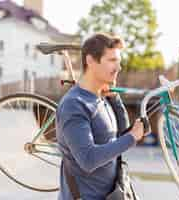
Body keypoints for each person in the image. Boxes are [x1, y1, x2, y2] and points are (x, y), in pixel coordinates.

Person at [56, 33, 147, 200]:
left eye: (119, 62)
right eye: (112, 60)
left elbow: (118, 136)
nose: (118, 68)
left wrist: (116, 100)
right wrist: (132, 137)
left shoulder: (101, 98)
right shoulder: (74, 104)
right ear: (90, 61)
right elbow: (88, 159)